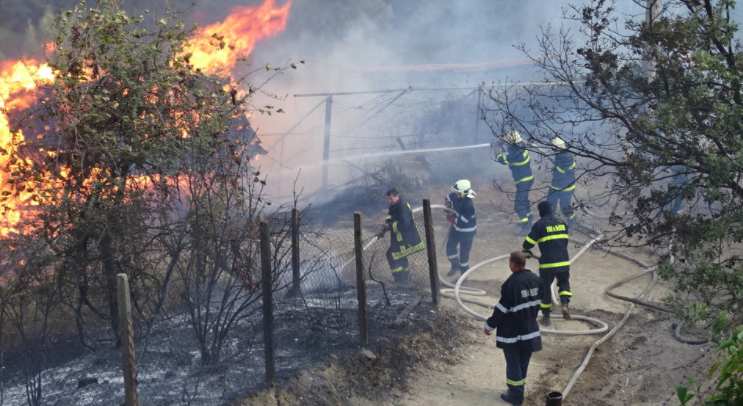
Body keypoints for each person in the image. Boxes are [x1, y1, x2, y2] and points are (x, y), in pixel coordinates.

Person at [483, 251, 542, 406]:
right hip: (530, 328)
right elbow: (539, 303)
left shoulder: (511, 283)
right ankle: (519, 390)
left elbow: (501, 310)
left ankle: (515, 396)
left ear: (512, 264)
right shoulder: (536, 280)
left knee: (513, 362)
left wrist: (489, 325)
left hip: (513, 332)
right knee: (523, 361)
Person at [522, 201, 571, 326]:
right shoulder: (562, 223)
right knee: (564, 283)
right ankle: (565, 304)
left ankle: (546, 317)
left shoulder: (539, 225)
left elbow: (528, 242)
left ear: (540, 211)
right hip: (563, 261)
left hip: (547, 264)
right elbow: (564, 243)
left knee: (545, 288)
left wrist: (525, 251)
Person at [377, 188, 425, 284]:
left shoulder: (402, 206)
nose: (389, 201)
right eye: (388, 199)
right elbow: (389, 218)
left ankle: (400, 279)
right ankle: (403, 279)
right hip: (399, 239)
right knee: (399, 256)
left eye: (391, 199)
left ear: (397, 196)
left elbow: (404, 224)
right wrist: (385, 228)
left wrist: (389, 226)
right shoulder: (394, 206)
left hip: (407, 239)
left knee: (392, 255)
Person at [492, 131, 534, 233]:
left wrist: (496, 148)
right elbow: (511, 147)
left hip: (523, 181)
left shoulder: (516, 155)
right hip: (527, 179)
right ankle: (529, 220)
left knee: (519, 205)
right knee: (524, 201)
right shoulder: (521, 148)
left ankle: (526, 228)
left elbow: (501, 160)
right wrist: (502, 142)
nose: (507, 145)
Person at [444, 180, 477, 277]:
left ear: (463, 193)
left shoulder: (469, 206)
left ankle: (464, 273)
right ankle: (455, 265)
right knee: (450, 248)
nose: (455, 193)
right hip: (455, 229)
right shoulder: (455, 195)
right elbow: (449, 197)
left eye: (458, 192)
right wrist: (447, 204)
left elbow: (462, 222)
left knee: (464, 254)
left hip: (467, 232)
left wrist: (451, 219)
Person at [546, 137, 578, 228]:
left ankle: (573, 223)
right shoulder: (561, 154)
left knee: (565, 207)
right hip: (556, 186)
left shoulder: (567, 156)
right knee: (550, 204)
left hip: (565, 188)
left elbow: (563, 171)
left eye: (555, 149)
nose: (554, 151)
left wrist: (555, 169)